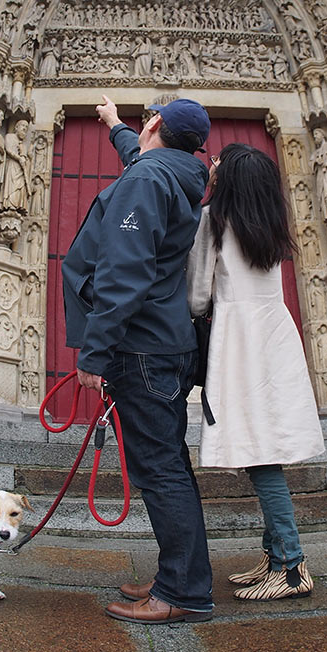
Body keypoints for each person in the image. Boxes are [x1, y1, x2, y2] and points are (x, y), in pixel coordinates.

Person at [62, 94, 213, 623]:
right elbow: (143, 157)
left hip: (141, 347)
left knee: (159, 470)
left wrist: (94, 353)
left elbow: (124, 274)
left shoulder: (148, 181)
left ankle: (181, 592)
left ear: (155, 124)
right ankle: (182, 574)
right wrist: (113, 126)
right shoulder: (171, 174)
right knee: (168, 464)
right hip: (162, 344)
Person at [187, 143, 324, 600]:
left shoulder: (214, 220)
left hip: (240, 339)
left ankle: (290, 566)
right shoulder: (268, 226)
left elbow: (197, 298)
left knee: (261, 456)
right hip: (274, 333)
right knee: (264, 443)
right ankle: (273, 556)